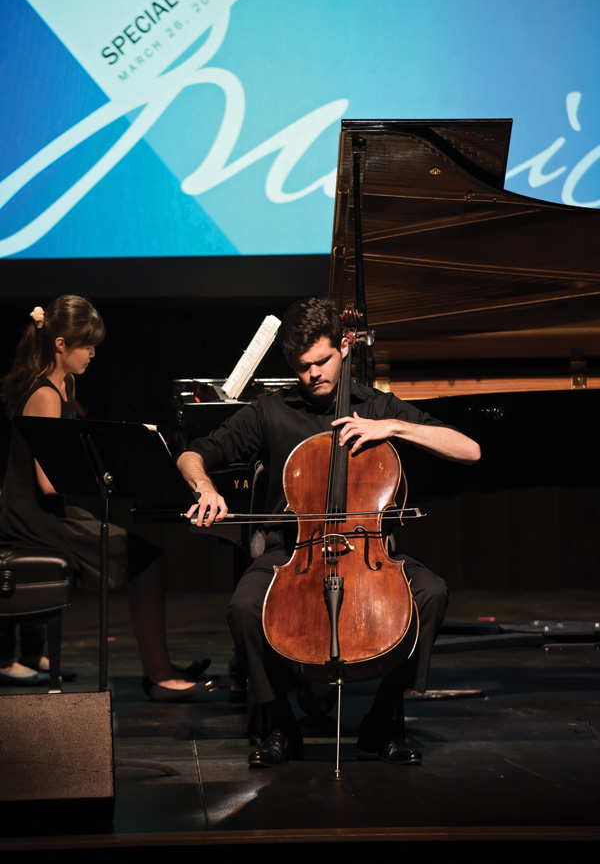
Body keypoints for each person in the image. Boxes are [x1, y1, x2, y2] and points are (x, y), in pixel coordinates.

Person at [178, 297, 480, 765]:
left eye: (322, 361)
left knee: (432, 594)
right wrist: (205, 488)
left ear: (344, 346)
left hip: (367, 549)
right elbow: (194, 452)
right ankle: (279, 724)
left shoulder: (376, 406)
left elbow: (470, 450)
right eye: (302, 367)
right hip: (291, 551)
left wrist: (395, 427)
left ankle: (383, 720)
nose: (313, 374)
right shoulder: (270, 411)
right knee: (242, 607)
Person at [0, 296, 213, 699]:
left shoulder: (65, 382)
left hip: (46, 509)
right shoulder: (44, 393)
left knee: (145, 556)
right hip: (30, 513)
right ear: (60, 344)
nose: (93, 353)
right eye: (87, 344)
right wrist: (111, 471)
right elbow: (48, 482)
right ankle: (159, 673)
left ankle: (160, 666)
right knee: (144, 561)